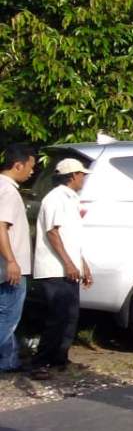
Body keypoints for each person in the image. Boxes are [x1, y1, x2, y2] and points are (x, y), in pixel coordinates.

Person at [30, 158, 93, 378]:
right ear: (73, 175)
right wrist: (68, 263)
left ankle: (59, 358)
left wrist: (82, 264)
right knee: (57, 317)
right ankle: (40, 363)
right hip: (56, 269)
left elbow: (71, 237)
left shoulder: (71, 199)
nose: (84, 178)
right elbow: (52, 233)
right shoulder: (56, 198)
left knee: (70, 316)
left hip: (68, 268)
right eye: (82, 174)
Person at [0, 144, 36, 373]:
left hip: (5, 266)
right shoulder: (7, 191)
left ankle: (9, 360)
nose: (32, 172)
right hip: (10, 268)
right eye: (31, 167)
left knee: (6, 314)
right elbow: (0, 226)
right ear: (18, 165)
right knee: (9, 316)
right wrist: (11, 261)